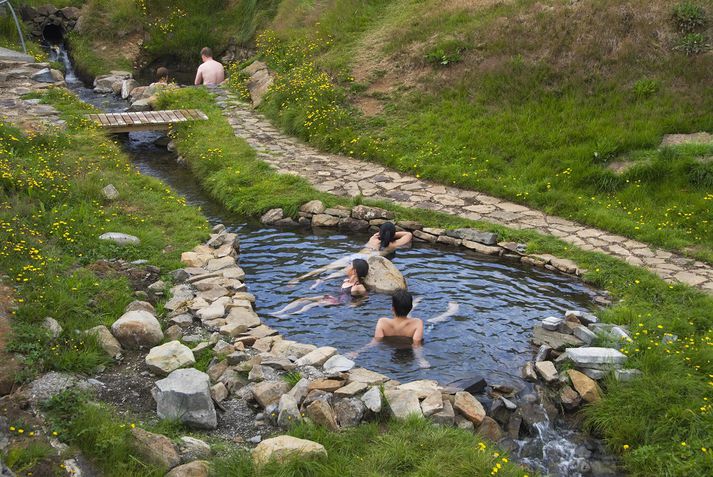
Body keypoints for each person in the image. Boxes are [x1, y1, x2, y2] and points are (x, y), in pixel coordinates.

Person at [289, 221, 412, 284]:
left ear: (380, 232)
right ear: (392, 234)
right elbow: (408, 234)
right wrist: (392, 235)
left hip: (356, 256)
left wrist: (383, 234)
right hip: (363, 261)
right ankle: (321, 281)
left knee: (326, 267)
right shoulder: (392, 245)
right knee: (338, 274)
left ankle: (299, 278)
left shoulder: (374, 239)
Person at [348, 290, 430, 368]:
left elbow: (375, 342)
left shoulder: (382, 322)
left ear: (393, 309)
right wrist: (420, 359)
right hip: (409, 342)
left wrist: (358, 351)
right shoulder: (417, 323)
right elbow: (416, 344)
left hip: (392, 344)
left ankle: (415, 305)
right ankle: (443, 315)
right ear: (410, 308)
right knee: (432, 322)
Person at [274, 259, 369, 316]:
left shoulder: (357, 287)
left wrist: (353, 305)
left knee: (310, 305)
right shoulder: (346, 280)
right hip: (334, 298)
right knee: (302, 300)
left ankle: (288, 315)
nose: (347, 266)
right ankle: (280, 312)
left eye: (349, 265)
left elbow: (365, 297)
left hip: (339, 303)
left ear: (354, 271)